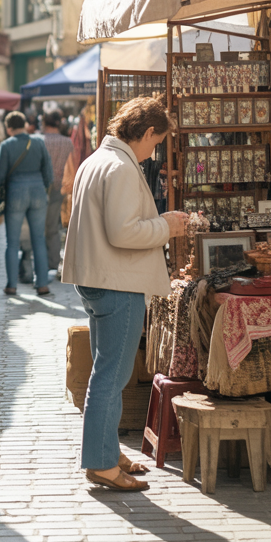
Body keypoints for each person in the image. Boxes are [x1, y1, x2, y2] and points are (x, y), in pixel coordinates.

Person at [62, 96, 188, 491]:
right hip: (118, 281)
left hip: (99, 279)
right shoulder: (118, 167)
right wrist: (166, 226)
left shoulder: (97, 161)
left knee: (108, 371)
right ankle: (100, 463)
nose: (154, 154)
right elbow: (123, 232)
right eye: (156, 143)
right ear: (147, 132)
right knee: (111, 375)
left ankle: (107, 449)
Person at [0, 111, 53, 296]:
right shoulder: (39, 142)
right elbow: (48, 172)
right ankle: (42, 284)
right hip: (38, 191)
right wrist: (44, 189)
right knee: (39, 239)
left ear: (8, 128)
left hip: (16, 191)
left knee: (12, 242)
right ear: (24, 124)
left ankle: (12, 285)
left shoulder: (6, 145)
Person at [42, 111, 74, 272]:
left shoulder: (40, 140)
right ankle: (53, 262)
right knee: (53, 227)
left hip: (41, 186)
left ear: (45, 124)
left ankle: (40, 262)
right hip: (61, 186)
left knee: (39, 226)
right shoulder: (68, 142)